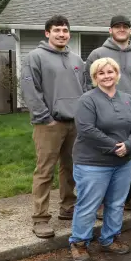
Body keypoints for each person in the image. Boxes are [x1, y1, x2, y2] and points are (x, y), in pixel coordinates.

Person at [68, 57, 131, 261]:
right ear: (94, 77)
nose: (106, 76)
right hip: (92, 163)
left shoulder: (128, 99)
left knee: (117, 203)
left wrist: (128, 145)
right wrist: (114, 147)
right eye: (101, 73)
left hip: (123, 162)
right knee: (89, 204)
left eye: (110, 72)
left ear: (117, 74)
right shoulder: (87, 100)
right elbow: (86, 129)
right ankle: (79, 243)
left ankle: (109, 238)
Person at [21, 15, 85, 238]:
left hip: (74, 124)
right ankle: (40, 218)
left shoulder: (77, 61)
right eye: (57, 30)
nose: (61, 34)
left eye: (65, 30)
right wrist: (45, 118)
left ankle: (68, 208)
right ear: (47, 33)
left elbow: (84, 90)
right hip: (49, 124)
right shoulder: (35, 57)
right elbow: (30, 91)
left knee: (71, 168)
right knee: (45, 170)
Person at [84, 15, 131, 214]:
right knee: (104, 158)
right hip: (104, 117)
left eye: (125, 27)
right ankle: (102, 203)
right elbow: (87, 84)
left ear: (130, 31)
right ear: (110, 30)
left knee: (130, 158)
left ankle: (129, 197)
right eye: (117, 27)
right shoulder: (97, 54)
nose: (121, 29)